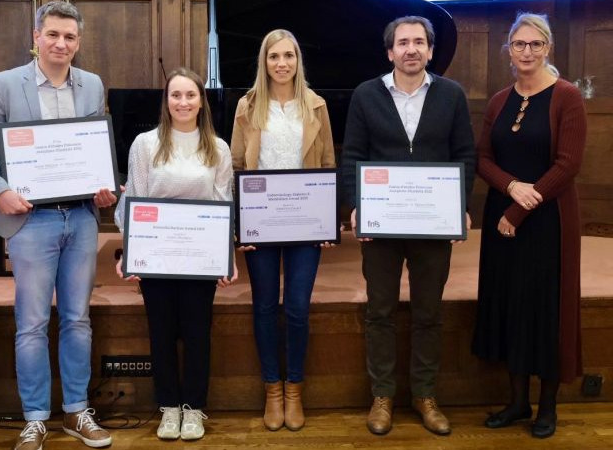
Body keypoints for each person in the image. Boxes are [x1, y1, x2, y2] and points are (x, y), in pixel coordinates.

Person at [0, 2, 116, 449]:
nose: (61, 44)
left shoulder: (91, 85)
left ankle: (75, 411)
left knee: (77, 320)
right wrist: (0, 192)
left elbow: (95, 150)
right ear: (36, 37)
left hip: (81, 219)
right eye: (52, 35)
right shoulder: (4, 84)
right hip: (30, 220)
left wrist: (104, 187)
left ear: (79, 42)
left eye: (70, 37)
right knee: (31, 323)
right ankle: (34, 416)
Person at [341, 16, 475, 436]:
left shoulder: (452, 95)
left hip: (433, 225)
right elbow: (352, 156)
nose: (411, 49)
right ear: (390, 51)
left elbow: (466, 155)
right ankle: (382, 395)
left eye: (419, 42)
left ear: (431, 51)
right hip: (381, 225)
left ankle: (424, 394)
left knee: (428, 312)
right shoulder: (366, 94)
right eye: (403, 43)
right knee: (379, 312)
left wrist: (459, 206)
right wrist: (356, 205)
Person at [471, 12, 586, 439]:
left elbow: (569, 164)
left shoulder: (567, 96)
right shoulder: (500, 99)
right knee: (511, 306)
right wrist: (510, 187)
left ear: (548, 48)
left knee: (545, 309)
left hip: (547, 221)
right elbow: (483, 157)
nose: (526, 52)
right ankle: (518, 401)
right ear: (508, 50)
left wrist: (519, 207)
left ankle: (548, 407)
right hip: (503, 219)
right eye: (519, 45)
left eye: (535, 44)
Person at [114, 67, 237, 441]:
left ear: (201, 101)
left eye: (190, 95)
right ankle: (168, 407)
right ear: (166, 101)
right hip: (158, 255)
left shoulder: (218, 147)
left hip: (200, 257)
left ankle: (194, 408)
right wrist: (129, 253)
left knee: (198, 334)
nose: (183, 102)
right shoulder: (145, 144)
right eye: (175, 95)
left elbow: (224, 202)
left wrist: (226, 255)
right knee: (161, 333)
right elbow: (132, 198)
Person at [230, 29, 336, 432]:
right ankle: (271, 389)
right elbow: (238, 166)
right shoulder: (247, 106)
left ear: (297, 60)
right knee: (263, 307)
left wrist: (327, 219)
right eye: (274, 56)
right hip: (262, 222)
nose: (282, 63)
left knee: (296, 308)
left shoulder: (316, 106)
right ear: (264, 61)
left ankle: (295, 389)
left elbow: (327, 162)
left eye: (288, 55)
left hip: (306, 223)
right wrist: (242, 225)